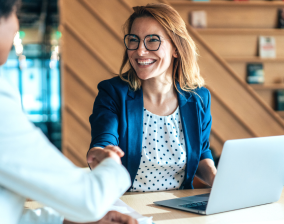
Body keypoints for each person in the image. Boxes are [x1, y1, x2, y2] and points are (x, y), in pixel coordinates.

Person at [0, 0, 137, 224]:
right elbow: (89, 201)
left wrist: (64, 221)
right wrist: (112, 163)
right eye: (15, 14)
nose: (17, 25)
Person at [87, 3, 217, 192]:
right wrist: (101, 154)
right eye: (134, 40)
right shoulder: (113, 92)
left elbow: (202, 151)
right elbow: (103, 141)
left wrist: (215, 177)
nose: (140, 51)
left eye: (153, 40)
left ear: (176, 48)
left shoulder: (199, 98)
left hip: (180, 206)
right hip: (128, 207)